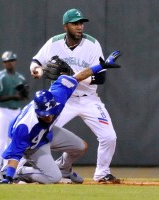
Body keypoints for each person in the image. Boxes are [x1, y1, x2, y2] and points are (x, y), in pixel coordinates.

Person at [0, 53, 121, 184]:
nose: (49, 116)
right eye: (45, 114)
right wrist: (9, 177)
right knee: (53, 178)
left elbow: (77, 77)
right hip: (32, 144)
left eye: (50, 112)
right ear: (38, 111)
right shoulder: (25, 126)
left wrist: (100, 66)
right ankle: (20, 172)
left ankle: (64, 170)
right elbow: (15, 155)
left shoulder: (58, 96)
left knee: (80, 146)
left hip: (47, 132)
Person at [30, 8, 120, 183]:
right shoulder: (53, 43)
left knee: (109, 137)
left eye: (81, 23)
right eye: (75, 23)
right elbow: (36, 62)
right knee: (40, 132)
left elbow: (100, 77)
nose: (79, 27)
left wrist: (73, 75)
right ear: (65, 26)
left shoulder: (92, 44)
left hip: (89, 100)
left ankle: (102, 173)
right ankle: (25, 169)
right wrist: (37, 70)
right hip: (62, 99)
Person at [0, 51, 29, 178]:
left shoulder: (20, 78)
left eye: (11, 60)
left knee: (13, 141)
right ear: (3, 63)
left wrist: (24, 93)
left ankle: (7, 170)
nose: (9, 63)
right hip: (3, 111)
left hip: (16, 111)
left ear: (15, 61)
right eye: (6, 61)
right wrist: (14, 95)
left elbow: (24, 97)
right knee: (0, 141)